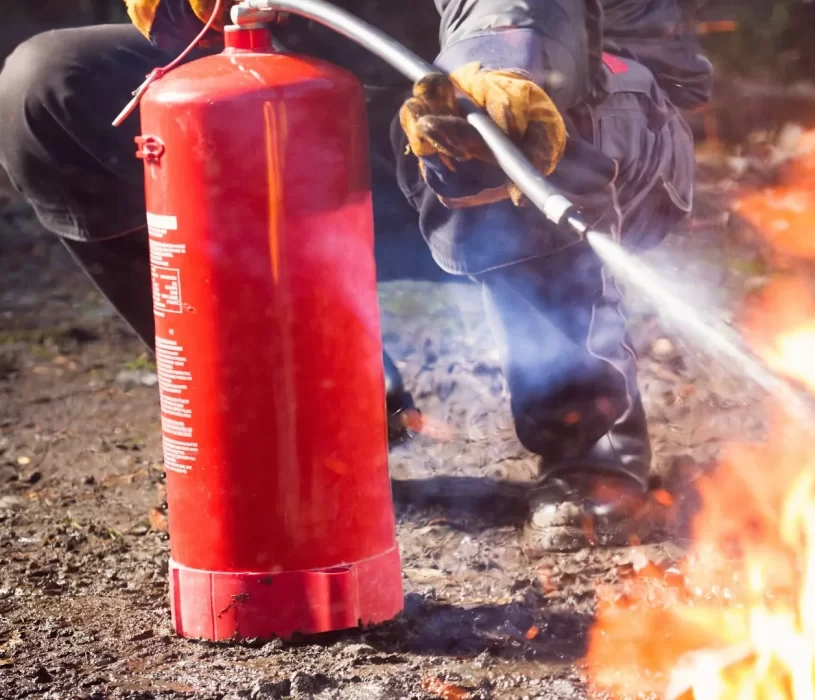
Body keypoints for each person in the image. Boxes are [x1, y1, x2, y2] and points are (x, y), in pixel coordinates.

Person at [0, 0, 712, 553]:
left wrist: (499, 62)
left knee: (487, 108)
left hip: (586, 108)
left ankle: (586, 443)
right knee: (51, 86)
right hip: (344, 118)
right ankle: (313, 412)